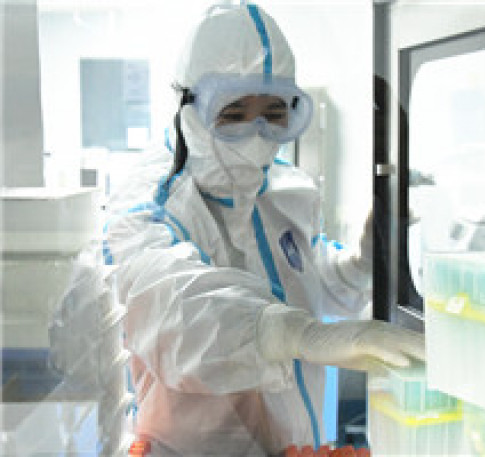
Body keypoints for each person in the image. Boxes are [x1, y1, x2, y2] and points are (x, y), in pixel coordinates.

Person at [104, 3, 425, 456]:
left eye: (274, 114)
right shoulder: (152, 200)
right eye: (234, 112)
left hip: (296, 445)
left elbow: (310, 278)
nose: (257, 135)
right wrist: (290, 334)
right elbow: (168, 305)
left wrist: (360, 263)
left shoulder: (285, 189)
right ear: (190, 106)